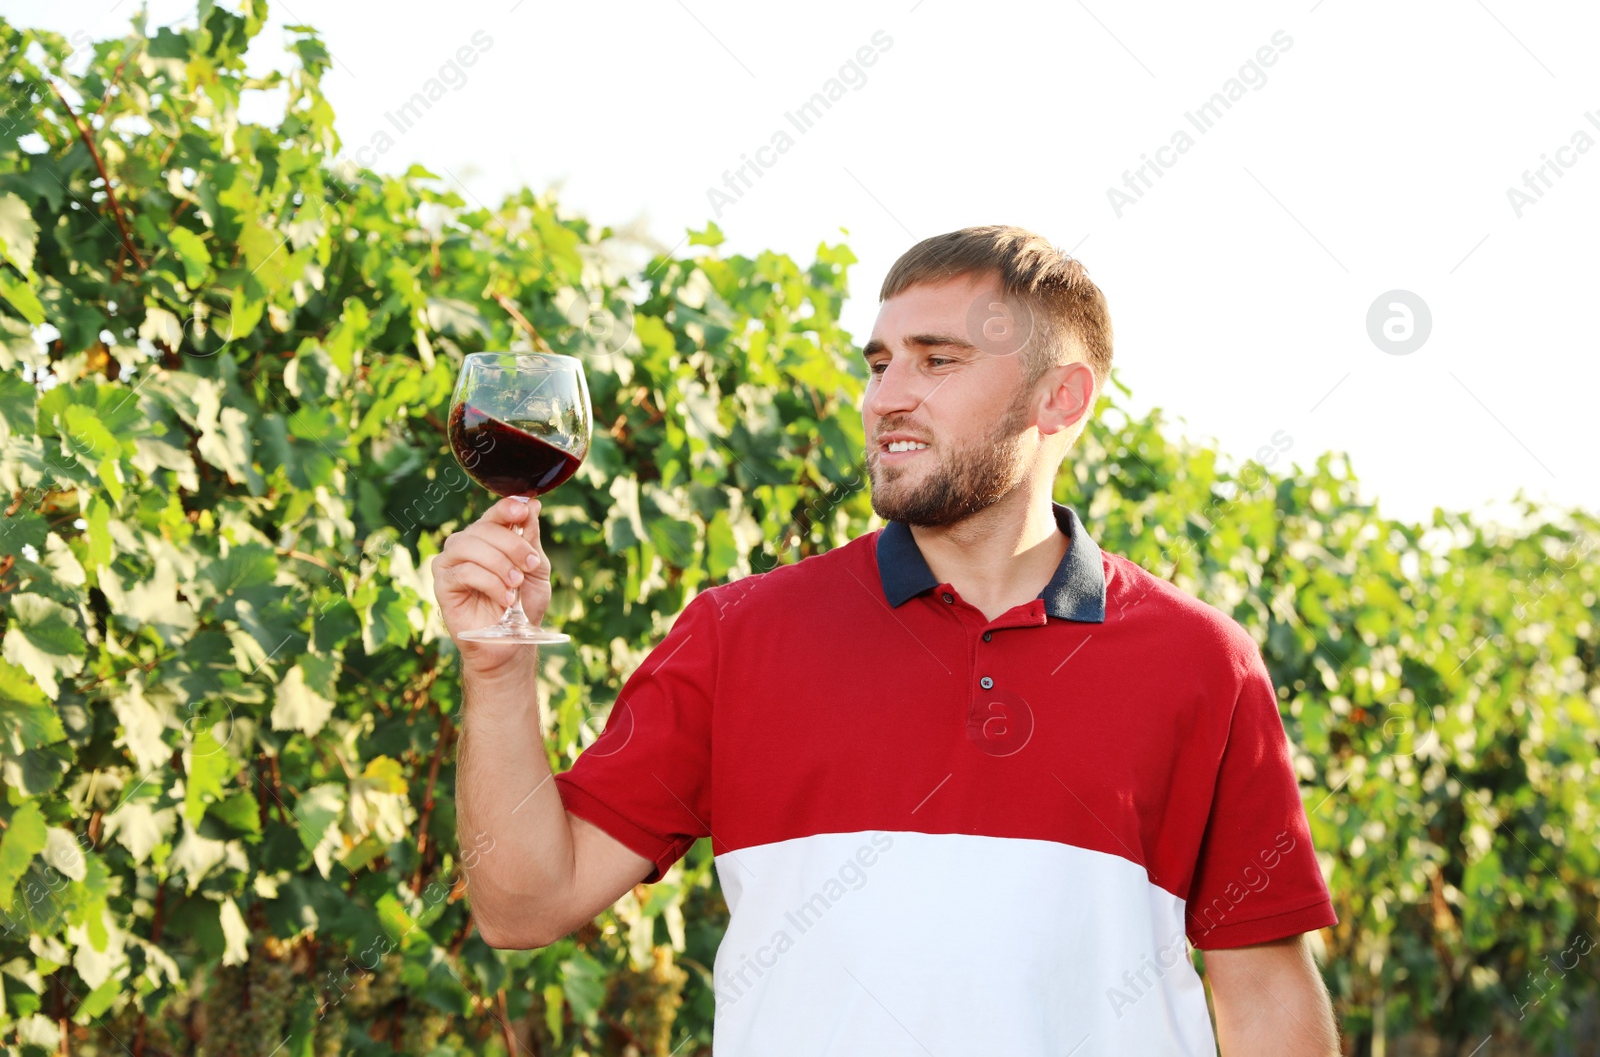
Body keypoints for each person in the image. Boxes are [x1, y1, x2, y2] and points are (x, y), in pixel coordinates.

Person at [434, 225, 1342, 1055]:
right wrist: (499, 668)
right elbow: (525, 904)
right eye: (879, 363)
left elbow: (1263, 996)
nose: (886, 398)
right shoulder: (739, 634)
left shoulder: (1202, 664)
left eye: (936, 361)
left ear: (1060, 399)